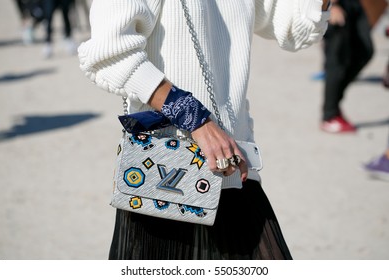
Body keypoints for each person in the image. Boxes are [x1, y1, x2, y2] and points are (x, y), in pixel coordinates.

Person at [78, 0, 330, 260]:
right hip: (169, 177)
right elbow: (109, 52)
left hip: (233, 167)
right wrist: (195, 118)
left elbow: (292, 29)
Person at [321, 0, 374, 133]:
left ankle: (334, 103)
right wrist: (331, 6)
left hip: (355, 3)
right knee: (337, 60)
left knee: (365, 51)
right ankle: (330, 115)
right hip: (335, 5)